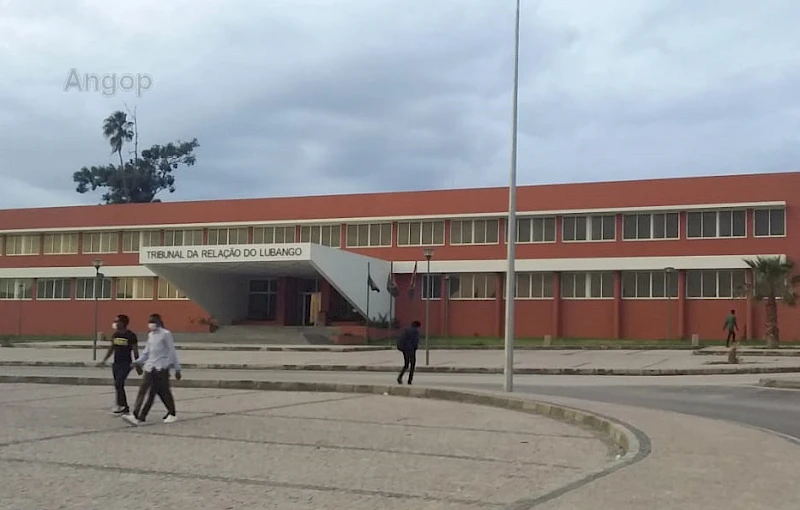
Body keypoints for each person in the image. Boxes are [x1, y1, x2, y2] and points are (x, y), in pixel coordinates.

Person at [123, 314, 181, 426]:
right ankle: (137, 415)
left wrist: (176, 368)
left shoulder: (165, 334)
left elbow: (171, 351)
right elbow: (147, 352)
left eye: (153, 321)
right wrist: (138, 362)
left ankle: (144, 415)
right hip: (150, 367)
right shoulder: (151, 335)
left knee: (157, 392)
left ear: (158, 322)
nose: (151, 324)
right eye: (149, 321)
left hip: (161, 367)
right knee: (146, 390)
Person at [97, 314, 138, 415]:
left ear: (123, 323)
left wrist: (137, 364)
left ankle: (123, 405)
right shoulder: (115, 335)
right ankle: (121, 405)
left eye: (117, 321)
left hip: (126, 364)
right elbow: (112, 348)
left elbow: (135, 351)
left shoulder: (131, 335)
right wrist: (104, 360)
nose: (115, 323)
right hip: (116, 364)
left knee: (118, 383)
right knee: (118, 385)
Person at [396, 320, 421, 385]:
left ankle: (400, 377)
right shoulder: (416, 331)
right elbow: (415, 341)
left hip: (405, 350)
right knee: (412, 365)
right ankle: (409, 380)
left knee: (406, 364)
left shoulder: (406, 330)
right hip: (411, 350)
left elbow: (402, 338)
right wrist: (416, 347)